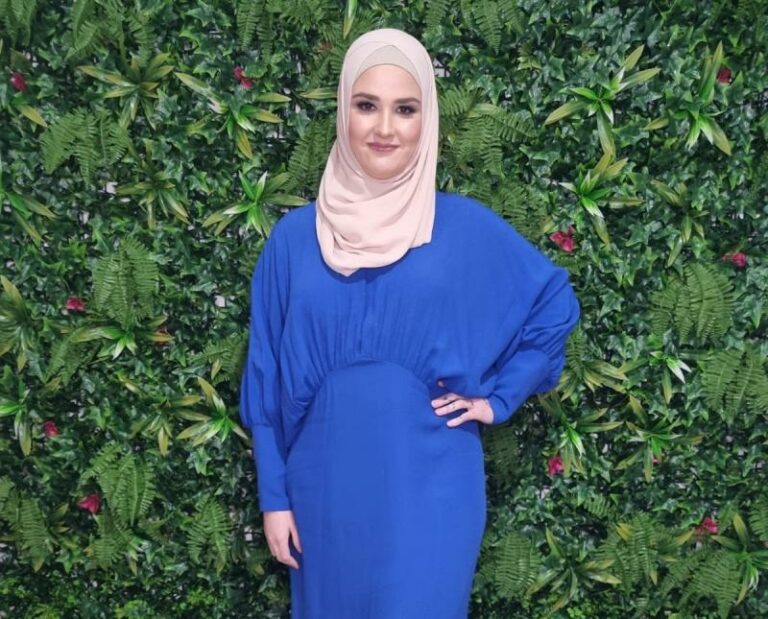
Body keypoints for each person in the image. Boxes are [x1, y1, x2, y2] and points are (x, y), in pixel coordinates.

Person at [239, 27, 580, 619]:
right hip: (323, 495)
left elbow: (552, 303)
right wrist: (274, 497)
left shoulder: (461, 228)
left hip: (434, 492)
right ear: (343, 111)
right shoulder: (293, 241)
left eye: (405, 109)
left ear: (428, 120)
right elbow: (264, 377)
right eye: (366, 105)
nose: (385, 128)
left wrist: (499, 398)